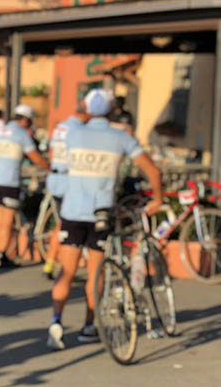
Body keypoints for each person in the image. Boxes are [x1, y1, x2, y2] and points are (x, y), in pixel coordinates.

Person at [47, 88, 162, 350]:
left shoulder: (73, 133)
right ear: (112, 109)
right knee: (95, 272)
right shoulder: (121, 137)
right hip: (101, 213)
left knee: (66, 271)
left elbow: (57, 162)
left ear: (87, 109)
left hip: (73, 210)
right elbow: (152, 170)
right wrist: (157, 198)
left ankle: (56, 321)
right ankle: (89, 326)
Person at [0, 104, 49, 269]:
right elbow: (35, 157)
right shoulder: (21, 134)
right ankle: (2, 256)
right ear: (27, 119)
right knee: (6, 220)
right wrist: (51, 168)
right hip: (9, 181)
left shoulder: (0, 131)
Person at [41, 104, 89, 279]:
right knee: (65, 225)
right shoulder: (80, 129)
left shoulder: (61, 126)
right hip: (69, 182)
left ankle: (51, 263)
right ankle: (57, 264)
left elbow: (52, 153)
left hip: (55, 180)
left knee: (62, 223)